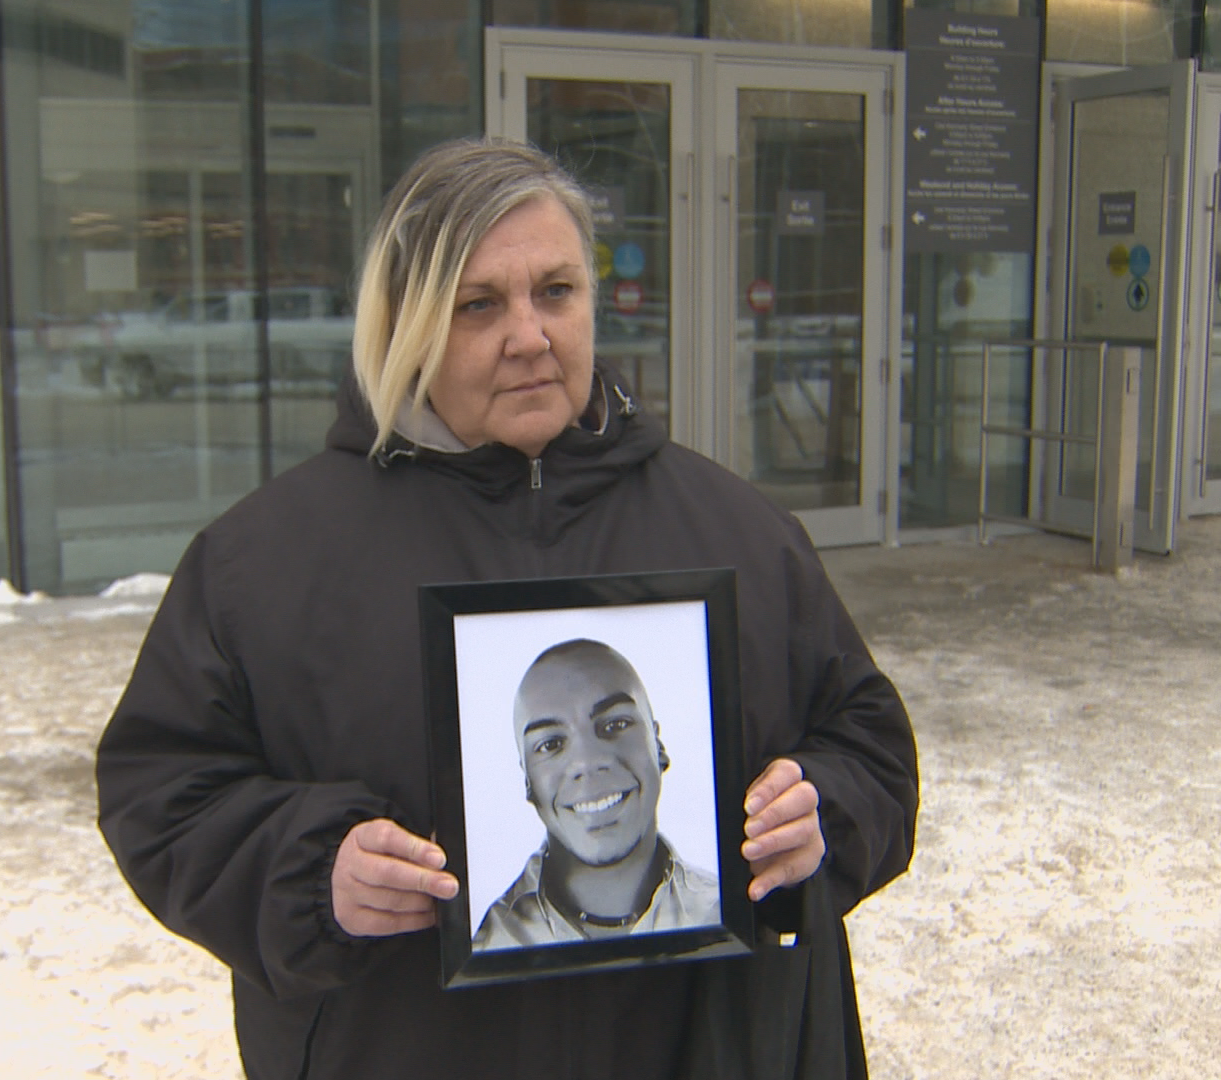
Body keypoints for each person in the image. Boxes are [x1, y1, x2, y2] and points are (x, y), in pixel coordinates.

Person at [96, 138, 917, 1079]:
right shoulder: (265, 563)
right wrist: (310, 872)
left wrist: (824, 814)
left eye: (556, 292)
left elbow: (872, 747)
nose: (530, 335)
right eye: (479, 303)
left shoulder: (739, 531)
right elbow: (160, 793)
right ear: (408, 323)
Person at [472, 638, 720, 949]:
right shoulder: (490, 945)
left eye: (616, 723)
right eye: (550, 745)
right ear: (528, 783)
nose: (587, 763)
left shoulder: (724, 913)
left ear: (658, 747)